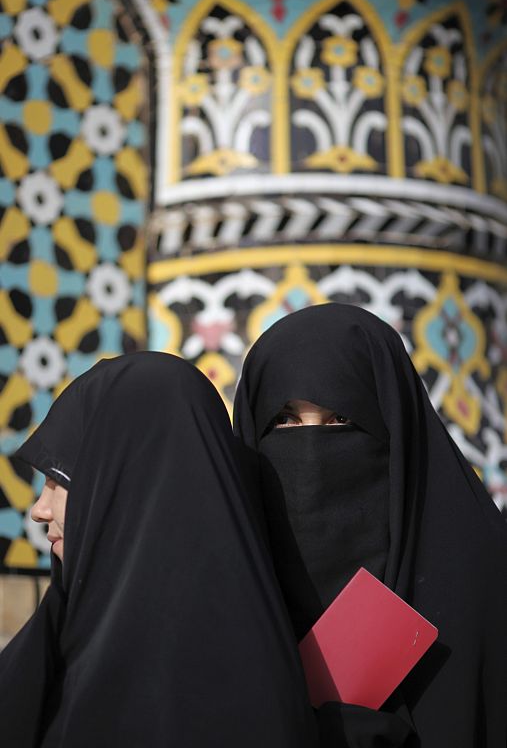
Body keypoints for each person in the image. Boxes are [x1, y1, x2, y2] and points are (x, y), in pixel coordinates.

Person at [0, 352, 319, 748]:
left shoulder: (233, 695)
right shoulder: (48, 646)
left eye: (59, 479)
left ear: (128, 486)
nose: (38, 510)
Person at [233, 303, 507, 748]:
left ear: (393, 429)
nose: (311, 451)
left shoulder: (485, 588)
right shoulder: (217, 604)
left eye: (341, 419)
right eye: (283, 421)